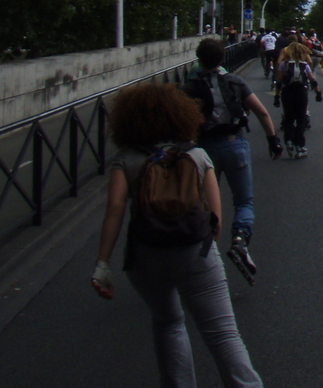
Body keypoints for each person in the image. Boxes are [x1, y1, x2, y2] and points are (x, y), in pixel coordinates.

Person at [92, 82, 264, 387]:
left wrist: (102, 264)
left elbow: (115, 208)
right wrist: (203, 251)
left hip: (145, 254)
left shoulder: (125, 159)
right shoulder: (196, 155)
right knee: (223, 335)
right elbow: (215, 216)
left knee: (168, 323)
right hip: (194, 251)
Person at [181, 38, 282, 285]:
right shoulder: (234, 81)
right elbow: (261, 111)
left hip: (204, 149)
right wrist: (272, 140)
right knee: (243, 200)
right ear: (223, 57)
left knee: (203, 203)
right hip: (234, 143)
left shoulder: (190, 87)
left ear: (198, 59)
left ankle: (205, 255)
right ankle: (239, 239)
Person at [279, 38, 321, 156]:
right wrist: (318, 93)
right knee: (301, 118)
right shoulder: (304, 65)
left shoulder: (284, 64)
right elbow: (312, 80)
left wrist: (277, 96)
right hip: (301, 92)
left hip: (287, 92)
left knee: (289, 118)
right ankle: (300, 145)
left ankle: (288, 140)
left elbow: (279, 81)